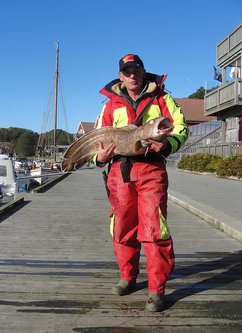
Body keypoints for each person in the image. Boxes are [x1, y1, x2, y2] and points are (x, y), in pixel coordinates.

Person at [93, 54, 188, 312]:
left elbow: (180, 127)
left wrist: (167, 143)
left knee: (154, 228)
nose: (132, 75)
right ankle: (128, 277)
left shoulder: (162, 98)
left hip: (151, 170)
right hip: (119, 172)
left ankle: (156, 290)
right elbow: (97, 139)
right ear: (120, 76)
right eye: (127, 71)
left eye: (136, 69)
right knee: (122, 226)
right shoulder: (110, 104)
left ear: (144, 71)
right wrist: (98, 158)